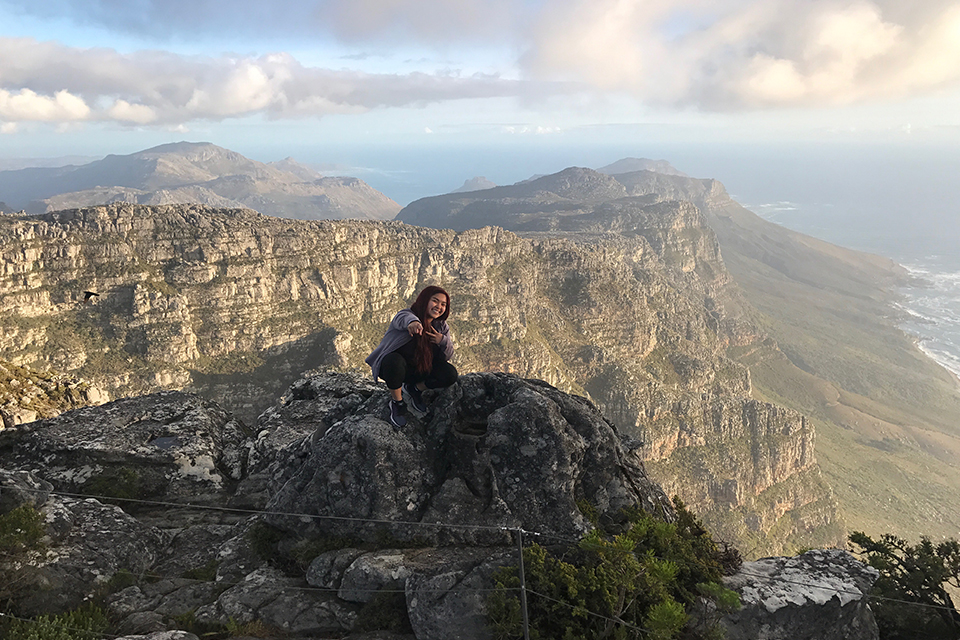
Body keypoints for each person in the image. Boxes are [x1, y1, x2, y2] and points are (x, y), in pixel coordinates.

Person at [365, 285, 458, 428]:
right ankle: (397, 402)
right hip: (395, 371)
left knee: (450, 374)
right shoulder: (407, 315)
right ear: (425, 300)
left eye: (443, 304)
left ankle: (415, 389)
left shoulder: (441, 326)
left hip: (420, 371)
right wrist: (413, 323)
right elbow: (402, 318)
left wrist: (442, 341)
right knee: (393, 360)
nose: (439, 306)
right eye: (435, 301)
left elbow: (448, 356)